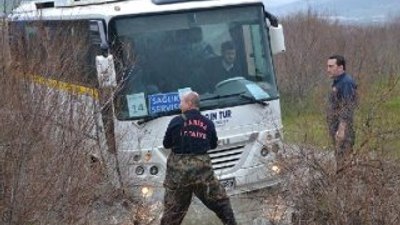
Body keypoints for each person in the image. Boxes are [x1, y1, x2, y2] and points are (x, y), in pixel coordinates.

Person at [160, 91, 237, 225]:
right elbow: (213, 145)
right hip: (202, 172)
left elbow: (166, 144)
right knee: (221, 202)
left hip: (178, 174)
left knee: (173, 211)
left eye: (182, 102)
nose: (180, 105)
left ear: (189, 104)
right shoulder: (208, 123)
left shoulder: (176, 121)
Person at [326, 55, 357, 172]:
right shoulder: (336, 82)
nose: (328, 69)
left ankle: (346, 186)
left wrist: (342, 129)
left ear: (340, 67)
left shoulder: (346, 83)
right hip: (336, 127)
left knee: (344, 159)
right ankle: (342, 185)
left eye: (331, 66)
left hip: (343, 128)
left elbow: (348, 106)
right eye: (327, 66)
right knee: (339, 158)